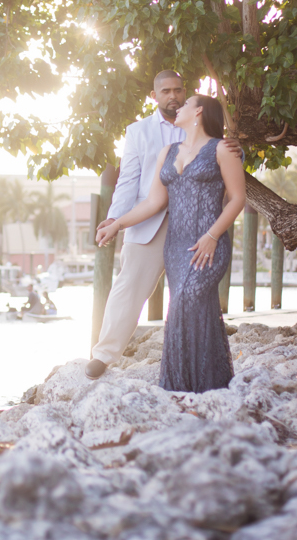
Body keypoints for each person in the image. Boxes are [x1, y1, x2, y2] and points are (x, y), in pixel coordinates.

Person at [85, 70, 239, 380]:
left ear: (187, 96)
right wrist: (116, 219)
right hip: (148, 220)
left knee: (187, 296)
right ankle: (103, 355)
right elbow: (128, 181)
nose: (174, 96)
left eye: (179, 90)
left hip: (197, 227)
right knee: (128, 286)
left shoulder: (204, 132)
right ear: (154, 96)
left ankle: (197, 370)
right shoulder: (138, 133)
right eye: (166, 91)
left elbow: (224, 172)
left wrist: (230, 141)